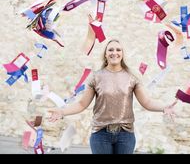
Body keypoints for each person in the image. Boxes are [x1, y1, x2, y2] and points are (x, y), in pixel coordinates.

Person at [48, 39, 176, 154]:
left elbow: (147, 102)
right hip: (100, 134)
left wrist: (164, 107)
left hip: (125, 135)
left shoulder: (132, 77)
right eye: (110, 50)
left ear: (122, 54)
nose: (114, 52)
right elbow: (82, 104)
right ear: (105, 54)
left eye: (118, 49)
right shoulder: (96, 77)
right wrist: (62, 111)